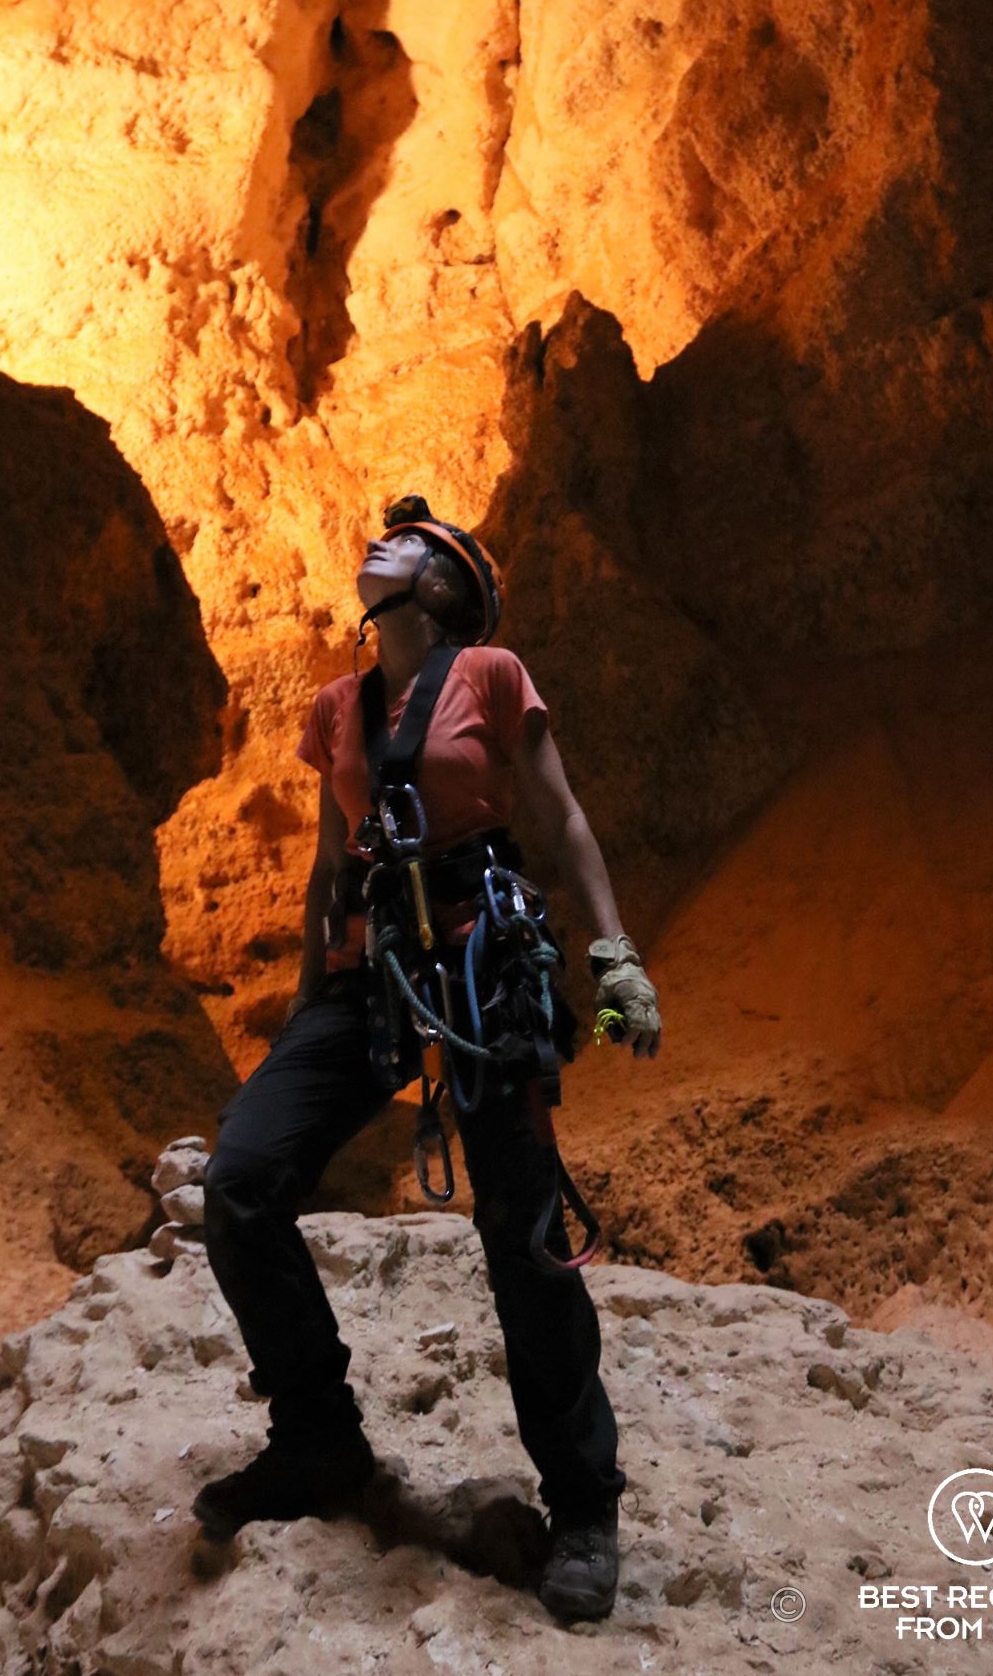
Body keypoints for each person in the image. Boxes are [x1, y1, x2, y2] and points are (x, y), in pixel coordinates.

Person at [194, 497, 663, 1624]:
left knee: (521, 1227)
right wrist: (306, 1012)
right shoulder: (334, 706)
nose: (379, 542)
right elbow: (326, 866)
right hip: (370, 974)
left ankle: (584, 1503)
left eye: (408, 543)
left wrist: (614, 957)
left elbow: (560, 820)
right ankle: (317, 1438)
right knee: (241, 1179)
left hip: (482, 962)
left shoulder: (491, 674)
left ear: (444, 587)